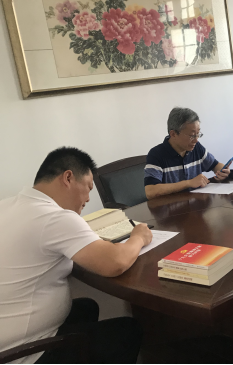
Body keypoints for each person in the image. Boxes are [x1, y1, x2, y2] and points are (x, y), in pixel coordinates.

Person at [0, 147, 152, 364]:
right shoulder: (54, 217)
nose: (88, 199)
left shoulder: (8, 205)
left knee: (87, 307)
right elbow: (115, 262)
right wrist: (138, 237)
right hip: (20, 354)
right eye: (88, 188)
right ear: (68, 178)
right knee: (127, 330)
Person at [144, 107, 231, 199]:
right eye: (192, 135)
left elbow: (215, 165)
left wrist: (223, 171)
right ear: (173, 134)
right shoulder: (156, 154)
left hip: (196, 204)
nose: (196, 140)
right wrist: (189, 183)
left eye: (198, 134)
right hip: (171, 206)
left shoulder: (196, 147)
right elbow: (150, 191)